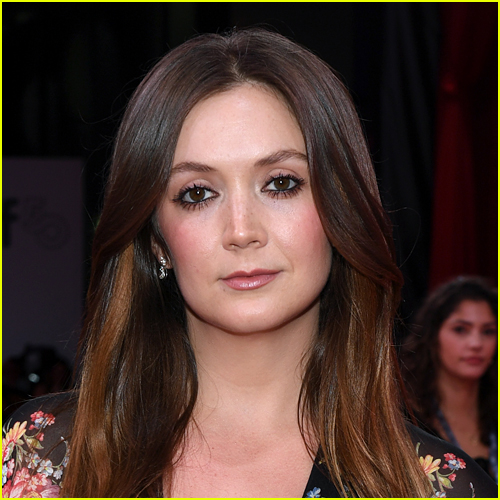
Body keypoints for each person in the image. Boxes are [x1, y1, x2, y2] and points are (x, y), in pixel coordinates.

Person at [2, 29, 496, 498]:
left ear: (340, 210)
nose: (241, 231)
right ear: (156, 240)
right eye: (198, 193)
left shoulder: (438, 487)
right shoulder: (41, 456)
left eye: (281, 183)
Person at [400, 276, 498, 482]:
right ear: (432, 336)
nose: (476, 343)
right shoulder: (405, 417)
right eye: (460, 329)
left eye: (488, 331)